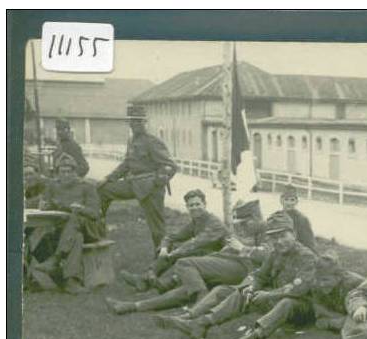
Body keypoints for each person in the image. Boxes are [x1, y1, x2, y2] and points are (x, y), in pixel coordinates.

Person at [157, 213, 318, 339]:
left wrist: (267, 295)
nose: (279, 242)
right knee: (243, 291)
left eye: (283, 236)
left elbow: (299, 289)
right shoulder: (274, 253)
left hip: (301, 308)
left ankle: (252, 338)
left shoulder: (307, 256)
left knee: (287, 303)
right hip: (276, 298)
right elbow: (261, 276)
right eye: (274, 238)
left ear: (294, 234)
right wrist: (253, 287)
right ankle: (202, 324)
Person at [105, 198, 266, 315]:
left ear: (256, 218)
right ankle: (132, 306)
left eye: (245, 223)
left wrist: (243, 248)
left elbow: (267, 257)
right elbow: (225, 250)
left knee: (184, 263)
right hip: (228, 266)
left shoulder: (269, 231)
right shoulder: (249, 231)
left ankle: (198, 300)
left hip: (244, 271)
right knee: (184, 291)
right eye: (239, 223)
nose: (241, 227)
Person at [228, 251, 364, 339]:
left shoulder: (356, 283)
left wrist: (333, 322)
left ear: (339, 276)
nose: (321, 285)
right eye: (318, 280)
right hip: (318, 314)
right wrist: (332, 319)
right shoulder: (314, 281)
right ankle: (253, 336)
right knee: (287, 303)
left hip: (350, 316)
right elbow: (317, 308)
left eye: (326, 280)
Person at [97, 104, 178, 250]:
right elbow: (127, 164)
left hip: (151, 188)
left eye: (139, 121)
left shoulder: (152, 141)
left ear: (145, 122)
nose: (136, 124)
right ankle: (96, 229)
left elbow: (171, 166)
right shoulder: (132, 140)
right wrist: (108, 178)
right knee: (103, 190)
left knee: (157, 227)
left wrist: (156, 182)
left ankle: (164, 257)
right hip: (134, 184)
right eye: (133, 121)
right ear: (129, 123)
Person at [28, 153, 105, 294]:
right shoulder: (53, 186)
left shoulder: (87, 186)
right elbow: (46, 204)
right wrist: (44, 205)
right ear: (57, 173)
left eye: (70, 171)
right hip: (65, 231)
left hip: (89, 228)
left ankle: (55, 260)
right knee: (76, 238)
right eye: (63, 172)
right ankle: (70, 281)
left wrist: (81, 209)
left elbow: (95, 213)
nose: (67, 175)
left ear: (75, 172)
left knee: (75, 219)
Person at [275, 184, 316, 251]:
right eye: (286, 199)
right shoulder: (276, 217)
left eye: (292, 200)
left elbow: (309, 245)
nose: (289, 203)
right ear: (281, 200)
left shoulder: (302, 220)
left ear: (296, 201)